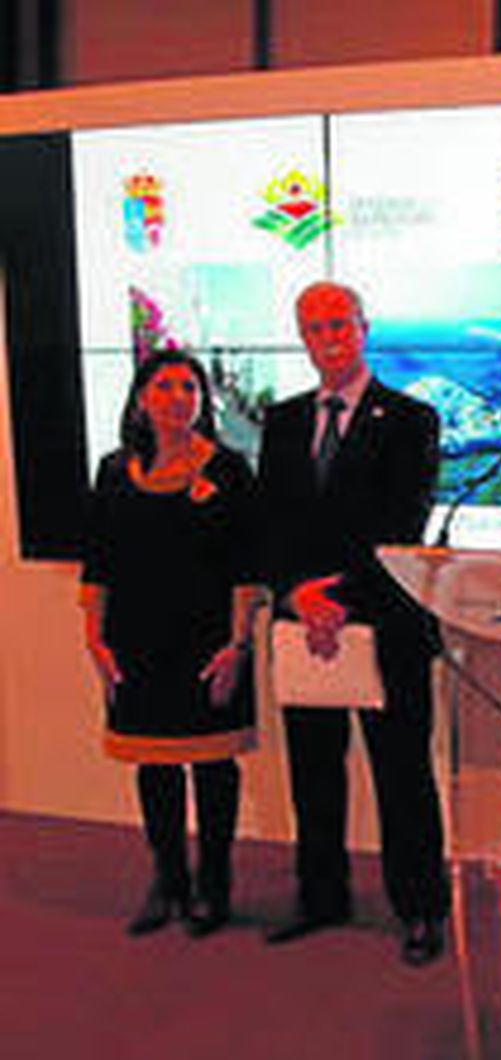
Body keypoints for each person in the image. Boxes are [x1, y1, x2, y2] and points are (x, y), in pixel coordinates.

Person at [258, 280, 449, 966]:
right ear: (302, 338)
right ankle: (321, 896)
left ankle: (421, 908)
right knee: (313, 770)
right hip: (302, 626)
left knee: (402, 775)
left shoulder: (412, 418)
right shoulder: (281, 420)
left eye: (339, 324)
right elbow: (267, 523)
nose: (328, 338)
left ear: (364, 329)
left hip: (385, 623)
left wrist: (334, 599)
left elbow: (403, 523)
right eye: (314, 328)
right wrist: (294, 594)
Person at [80, 351, 260, 939]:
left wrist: (238, 645)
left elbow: (246, 568)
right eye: (164, 386)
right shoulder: (113, 471)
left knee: (212, 765)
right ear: (141, 399)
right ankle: (169, 879)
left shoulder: (229, 469)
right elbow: (98, 563)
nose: (178, 397)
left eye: (189, 386)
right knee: (153, 764)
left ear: (202, 400)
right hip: (134, 644)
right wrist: (95, 640)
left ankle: (214, 884)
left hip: (210, 644)